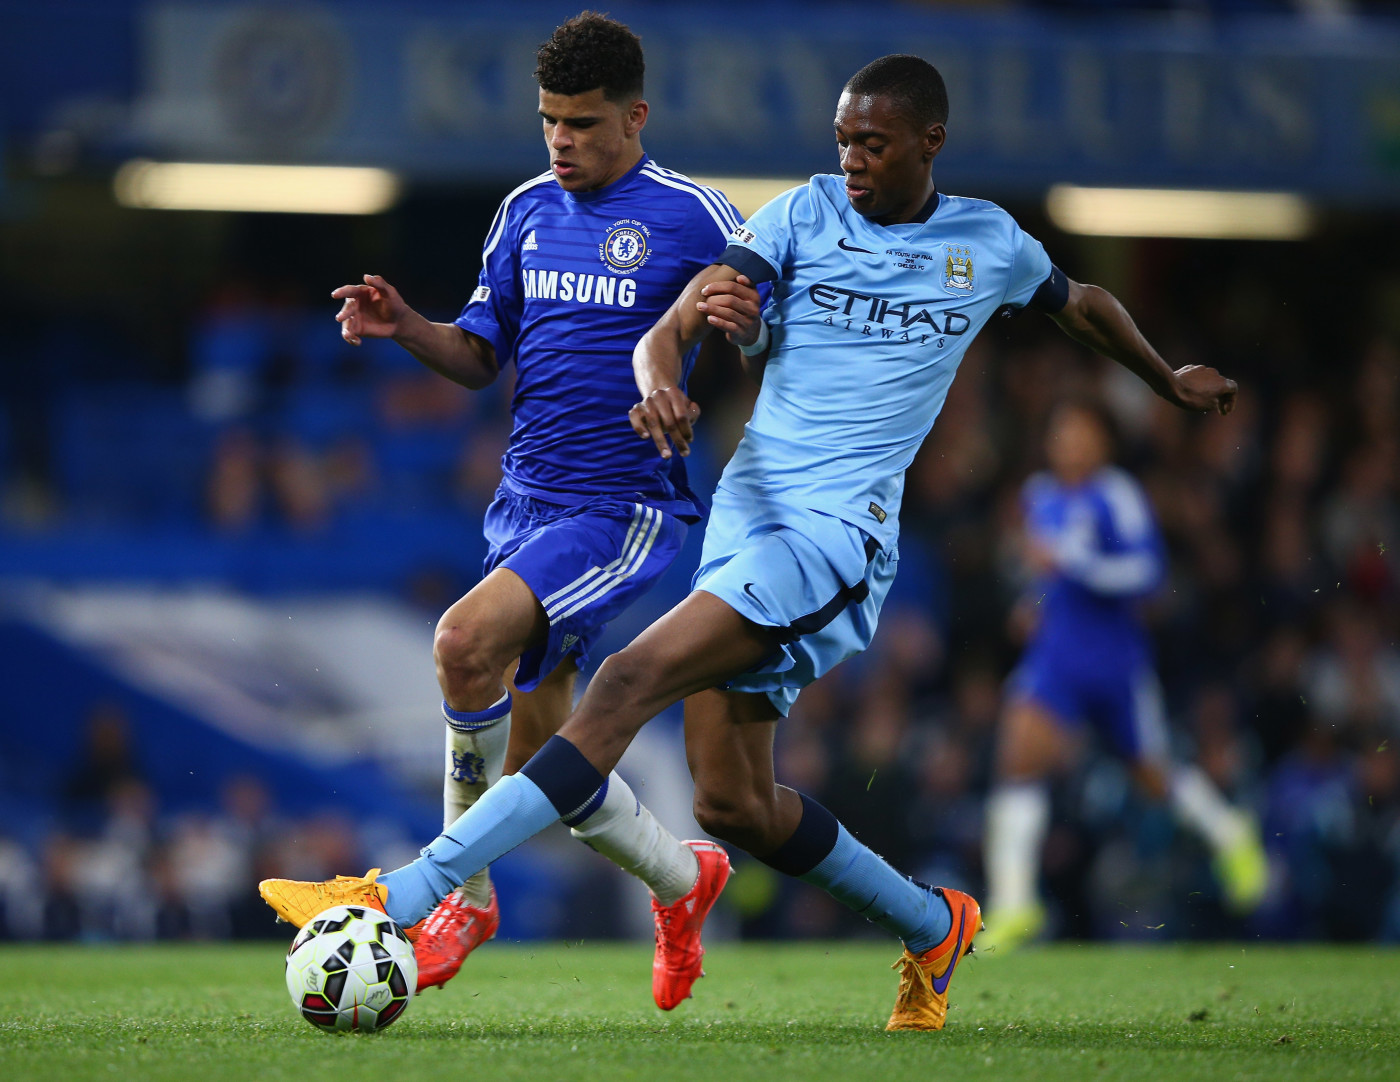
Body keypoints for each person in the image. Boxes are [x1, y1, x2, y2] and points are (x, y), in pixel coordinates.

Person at [261, 53, 1237, 1029]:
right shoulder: (796, 217)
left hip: (832, 535)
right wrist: (671, 376)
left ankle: (401, 894)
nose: (851, 160)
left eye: (873, 143)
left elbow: (1080, 303)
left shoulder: (983, 244)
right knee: (733, 802)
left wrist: (1162, 376)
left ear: (928, 143)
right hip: (744, 520)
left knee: (619, 686)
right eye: (843, 140)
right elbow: (671, 329)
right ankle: (932, 921)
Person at [321, 12, 765, 1008]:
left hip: (620, 507)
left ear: (634, 116)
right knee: (543, 770)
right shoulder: (523, 209)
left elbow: (761, 336)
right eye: (547, 122)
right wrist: (407, 329)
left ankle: (459, 893)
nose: (561, 141)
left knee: (461, 640)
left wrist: (717, 363)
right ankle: (686, 878)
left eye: (581, 123)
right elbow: (480, 355)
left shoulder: (698, 216)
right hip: (521, 503)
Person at [980, 400, 1267, 951]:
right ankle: (1014, 904)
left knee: (1152, 775)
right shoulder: (1039, 495)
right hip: (1057, 654)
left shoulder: (1117, 494)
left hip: (1114, 660)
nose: (1071, 444)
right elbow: (1041, 574)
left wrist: (1072, 564)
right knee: (1016, 760)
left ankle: (1232, 834)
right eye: (1062, 433)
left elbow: (1147, 573)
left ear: (1102, 442)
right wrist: (1032, 601)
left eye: (1081, 432)